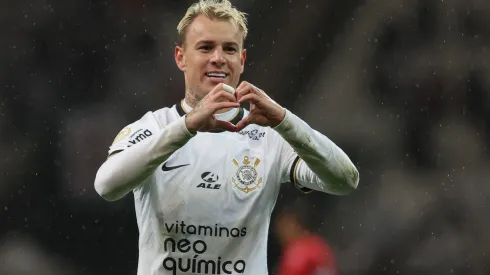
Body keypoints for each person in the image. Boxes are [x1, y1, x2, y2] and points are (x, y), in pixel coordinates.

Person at [94, 0, 359, 274]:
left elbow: (345, 180)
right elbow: (106, 186)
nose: (218, 57)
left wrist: (284, 120)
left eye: (229, 48)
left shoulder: (269, 136)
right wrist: (187, 127)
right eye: (206, 47)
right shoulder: (153, 128)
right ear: (180, 57)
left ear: (241, 60)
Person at [274, 200, 338, 275]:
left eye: (284, 228)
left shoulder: (297, 251)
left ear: (297, 226)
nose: (281, 234)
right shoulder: (318, 243)